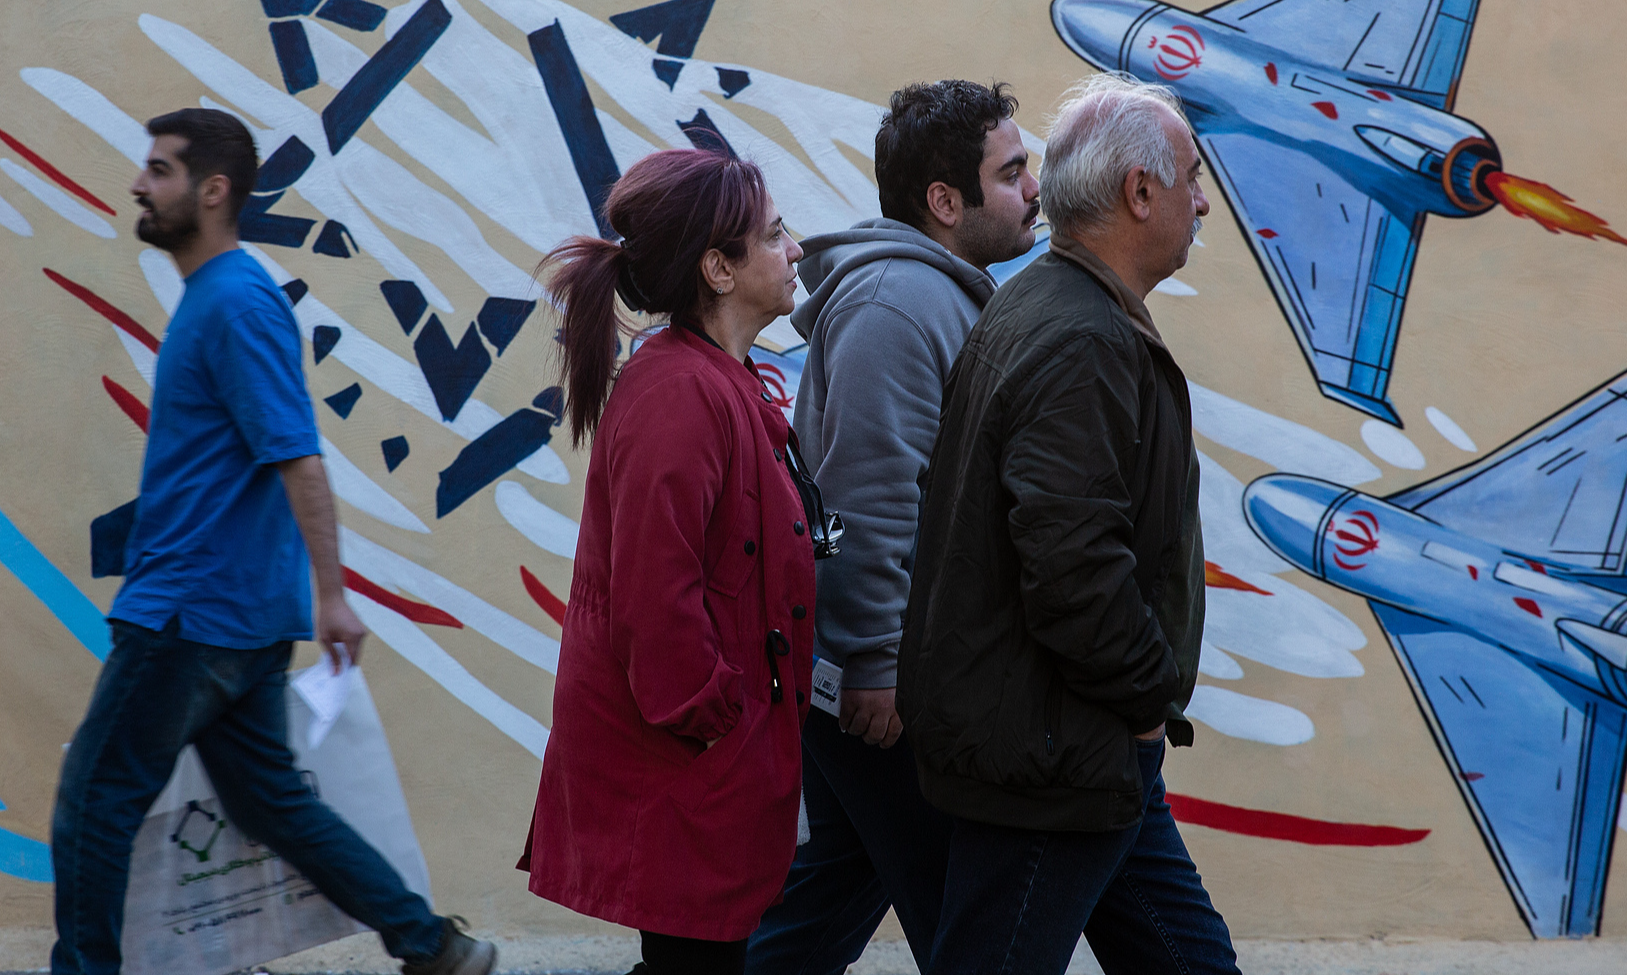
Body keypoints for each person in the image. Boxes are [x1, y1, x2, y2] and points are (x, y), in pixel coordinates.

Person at [49, 109, 494, 975]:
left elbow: (298, 459)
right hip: (234, 615)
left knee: (95, 803)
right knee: (272, 805)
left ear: (213, 191)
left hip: (188, 613)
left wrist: (332, 595)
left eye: (160, 170)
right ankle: (432, 945)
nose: (139, 185)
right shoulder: (217, 299)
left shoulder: (236, 303)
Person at [898, 73, 1240, 974]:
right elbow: (1070, 558)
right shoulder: (1081, 337)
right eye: (1191, 177)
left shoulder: (1056, 306)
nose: (1202, 202)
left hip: (1080, 746)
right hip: (1056, 754)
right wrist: (1142, 698)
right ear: (1139, 192)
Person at [745, 80, 1039, 974]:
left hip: (878, 676)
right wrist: (871, 660)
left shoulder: (937, 295)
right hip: (885, 690)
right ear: (944, 202)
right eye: (1013, 172)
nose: (1035, 189)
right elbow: (863, 500)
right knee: (974, 924)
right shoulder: (897, 307)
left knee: (832, 890)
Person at [520, 148, 817, 975]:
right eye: (775, 234)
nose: (795, 250)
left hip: (716, 759)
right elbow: (657, 601)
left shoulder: (722, 379)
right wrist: (722, 721)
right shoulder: (680, 392)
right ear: (718, 268)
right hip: (691, 761)